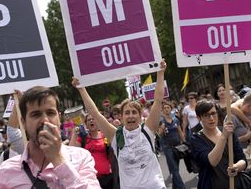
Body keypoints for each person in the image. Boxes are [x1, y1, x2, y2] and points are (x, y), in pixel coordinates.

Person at [72, 60, 167, 189]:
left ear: (140, 117)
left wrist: (160, 72)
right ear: (121, 117)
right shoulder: (115, 135)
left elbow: (158, 100)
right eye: (127, 113)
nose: (131, 115)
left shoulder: (148, 130)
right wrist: (81, 89)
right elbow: (94, 113)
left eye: (134, 112)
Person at [0, 86, 100, 188]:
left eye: (50, 113)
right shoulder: (6, 171)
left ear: (59, 118)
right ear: (23, 122)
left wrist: (58, 160)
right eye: (36, 114)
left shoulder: (81, 158)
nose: (45, 120)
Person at [190, 99, 247, 189]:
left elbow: (243, 160)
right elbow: (212, 162)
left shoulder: (229, 133)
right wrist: (223, 136)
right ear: (198, 117)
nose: (211, 118)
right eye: (206, 115)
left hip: (236, 185)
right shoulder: (196, 139)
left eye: (213, 113)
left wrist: (237, 167)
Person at [70, 114, 114, 189]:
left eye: (93, 119)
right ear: (86, 124)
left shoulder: (105, 137)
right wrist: (74, 134)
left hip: (107, 178)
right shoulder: (83, 138)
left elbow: (111, 154)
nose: (91, 121)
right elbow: (71, 150)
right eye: (89, 120)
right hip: (89, 180)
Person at [158, 101, 186, 189]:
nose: (166, 109)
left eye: (168, 108)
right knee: (174, 169)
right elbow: (160, 135)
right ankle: (182, 187)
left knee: (175, 169)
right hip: (167, 147)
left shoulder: (176, 120)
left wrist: (184, 142)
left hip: (177, 147)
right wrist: (162, 129)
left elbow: (180, 131)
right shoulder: (161, 121)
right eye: (164, 108)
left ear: (171, 109)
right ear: (162, 111)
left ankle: (175, 186)